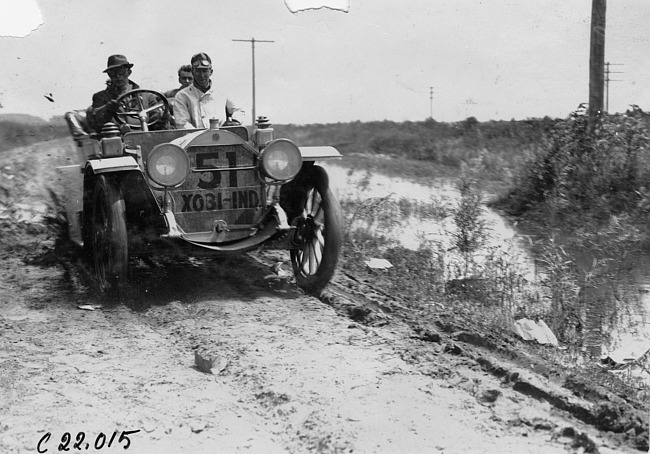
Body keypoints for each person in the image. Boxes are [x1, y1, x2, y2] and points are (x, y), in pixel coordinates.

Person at [87, 54, 170, 132]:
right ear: (109, 75)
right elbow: (95, 121)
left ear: (129, 72)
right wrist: (107, 109)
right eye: (112, 73)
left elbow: (157, 122)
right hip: (116, 140)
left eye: (121, 72)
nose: (118, 76)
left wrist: (162, 116)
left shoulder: (147, 96)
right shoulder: (100, 97)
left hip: (145, 137)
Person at [174, 52, 238, 129]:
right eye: (198, 71)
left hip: (222, 137)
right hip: (194, 138)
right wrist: (202, 137)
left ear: (211, 72)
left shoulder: (222, 92)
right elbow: (182, 123)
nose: (201, 75)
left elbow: (239, 110)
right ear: (193, 72)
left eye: (205, 71)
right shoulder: (182, 95)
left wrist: (233, 121)